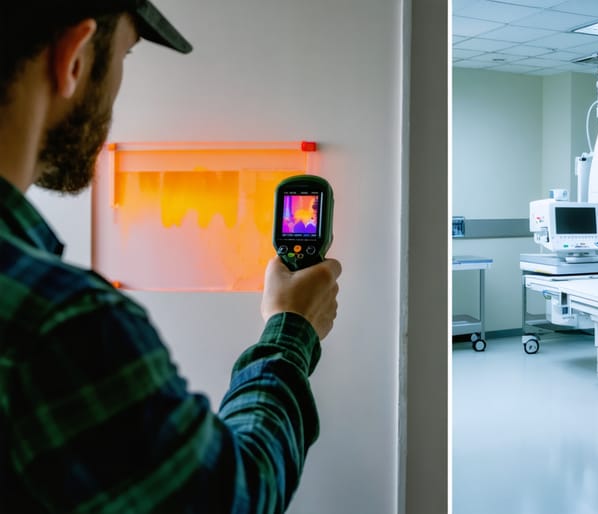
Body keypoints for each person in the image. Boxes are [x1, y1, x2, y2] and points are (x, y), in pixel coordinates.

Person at [0, 1, 342, 512]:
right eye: (126, 56)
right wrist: (291, 328)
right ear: (72, 59)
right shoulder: (62, 324)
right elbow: (236, 497)